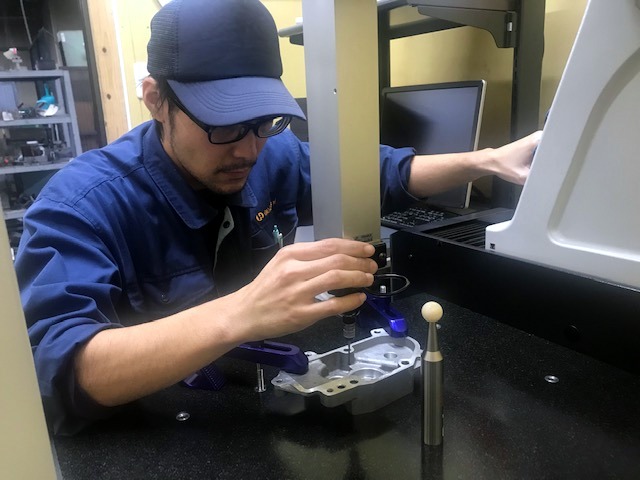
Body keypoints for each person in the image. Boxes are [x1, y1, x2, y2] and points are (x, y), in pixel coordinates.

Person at [16, 0, 541, 435]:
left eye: (264, 121)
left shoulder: (272, 153)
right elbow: (62, 370)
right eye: (223, 124)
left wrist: (488, 161)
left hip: (252, 422)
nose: (248, 149)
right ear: (156, 100)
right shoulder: (82, 205)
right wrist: (241, 312)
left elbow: (378, 173)